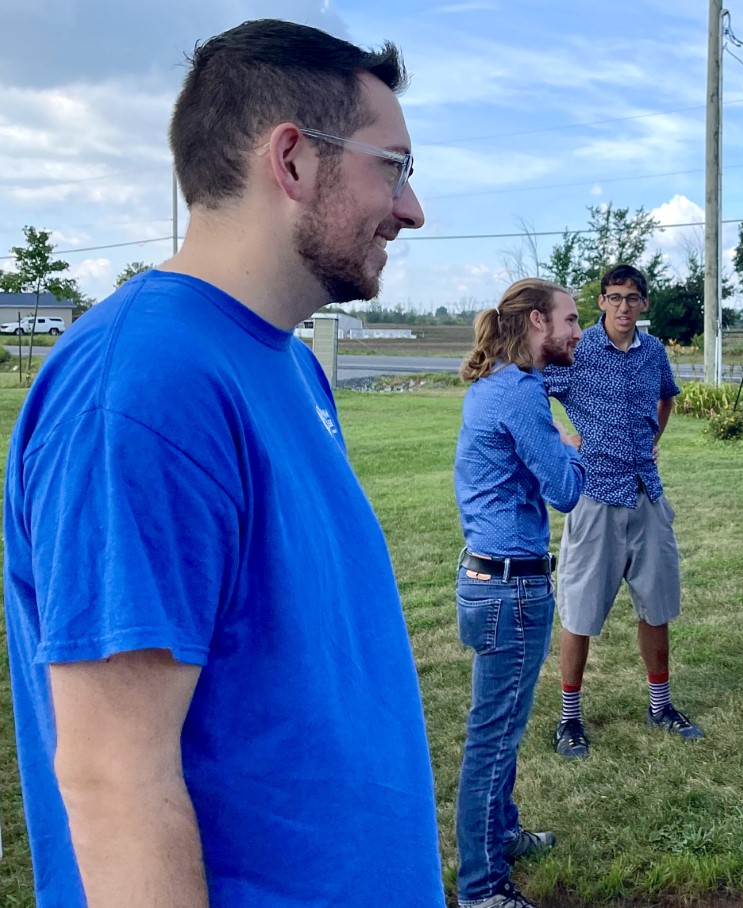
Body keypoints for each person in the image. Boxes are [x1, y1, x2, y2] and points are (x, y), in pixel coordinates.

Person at [3, 19, 445, 907]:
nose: (411, 209)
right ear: (293, 161)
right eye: (392, 167)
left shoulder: (284, 361)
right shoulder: (143, 386)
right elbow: (112, 776)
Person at [453, 278, 586, 908]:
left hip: (493, 581)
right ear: (537, 321)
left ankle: (502, 831)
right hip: (511, 592)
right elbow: (562, 489)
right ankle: (481, 888)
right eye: (570, 319)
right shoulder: (520, 394)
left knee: (502, 723)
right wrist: (575, 447)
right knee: (493, 738)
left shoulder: (501, 384)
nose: (577, 332)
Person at [543, 264, 703, 759]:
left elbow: (667, 399)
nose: (623, 307)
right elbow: (530, 389)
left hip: (646, 491)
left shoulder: (653, 352)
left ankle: (661, 705)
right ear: (601, 303)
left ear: (644, 304)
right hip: (595, 494)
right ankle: (569, 718)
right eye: (614, 298)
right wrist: (561, 438)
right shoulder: (579, 348)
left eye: (633, 298)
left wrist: (652, 441)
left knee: (656, 604)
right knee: (581, 609)